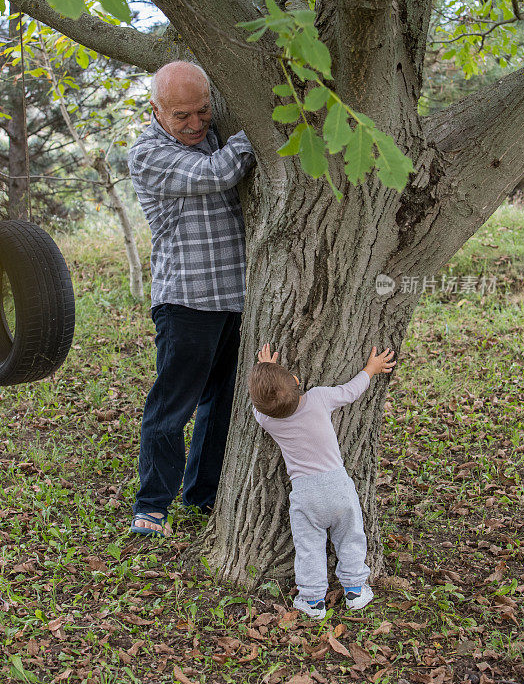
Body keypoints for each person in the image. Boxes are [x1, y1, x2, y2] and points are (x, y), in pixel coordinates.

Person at [128, 60, 255, 537]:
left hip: (236, 300)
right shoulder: (147, 154)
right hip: (186, 300)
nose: (195, 124)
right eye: (181, 115)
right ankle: (152, 506)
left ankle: (202, 497)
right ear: (157, 110)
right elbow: (216, 175)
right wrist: (265, 126)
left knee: (220, 405)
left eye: (203, 112)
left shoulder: (213, 134)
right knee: (171, 408)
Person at [248, 342, 396, 619]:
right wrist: (370, 369)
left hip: (305, 493)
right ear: (295, 380)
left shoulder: (267, 419)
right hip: (338, 485)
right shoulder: (318, 398)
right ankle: (354, 589)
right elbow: (350, 391)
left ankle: (313, 600)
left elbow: (260, 405)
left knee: (309, 548)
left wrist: (263, 370)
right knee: (351, 536)